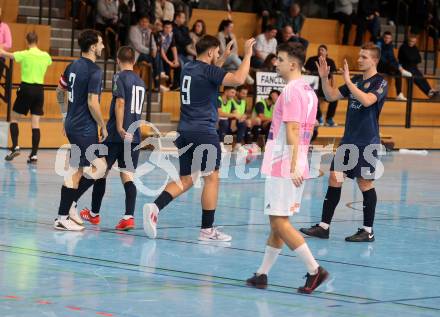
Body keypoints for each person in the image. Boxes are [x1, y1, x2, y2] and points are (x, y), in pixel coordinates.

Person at [142, 35, 256, 241]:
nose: (219, 56)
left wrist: (223, 58)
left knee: (187, 178)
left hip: (185, 131)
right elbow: (238, 79)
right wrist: (247, 54)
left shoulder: (188, 68)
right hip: (203, 132)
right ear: (211, 52)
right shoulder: (208, 71)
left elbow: (210, 75)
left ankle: (155, 207)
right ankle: (207, 230)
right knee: (211, 178)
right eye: (217, 53)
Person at [246, 42, 328, 294]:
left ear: (292, 64)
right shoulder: (310, 92)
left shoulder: (292, 91)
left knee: (279, 222)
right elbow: (308, 130)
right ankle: (262, 274)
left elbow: (292, 129)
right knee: (278, 221)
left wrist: (292, 164)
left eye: (280, 60)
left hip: (284, 163)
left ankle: (315, 271)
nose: (276, 63)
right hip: (297, 159)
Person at [300, 43, 388, 242]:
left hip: (367, 142)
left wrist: (348, 82)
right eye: (360, 56)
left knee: (364, 183)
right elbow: (330, 96)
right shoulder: (356, 80)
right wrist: (323, 77)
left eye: (364, 57)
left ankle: (368, 231)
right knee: (334, 178)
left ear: (374, 60)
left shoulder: (380, 82)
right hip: (348, 140)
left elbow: (367, 100)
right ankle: (324, 226)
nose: (359, 59)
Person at [79, 46, 146, 231]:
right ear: (133, 61)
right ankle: (129, 216)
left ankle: (87, 210)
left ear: (118, 60)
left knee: (100, 170)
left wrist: (118, 127)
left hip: (117, 135)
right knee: (127, 175)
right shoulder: (141, 81)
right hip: (134, 135)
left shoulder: (119, 77)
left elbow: (120, 102)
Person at [54, 29, 107, 231]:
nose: (103, 46)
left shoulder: (72, 65)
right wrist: (102, 125)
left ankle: (68, 209)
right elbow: (93, 103)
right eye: (101, 43)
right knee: (98, 168)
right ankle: (63, 214)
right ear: (93, 46)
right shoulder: (95, 71)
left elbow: (60, 91)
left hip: (73, 125)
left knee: (80, 169)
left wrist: (64, 115)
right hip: (84, 128)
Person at [0, 32, 52, 163]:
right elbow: (49, 62)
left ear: (26, 41)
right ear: (37, 41)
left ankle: (16, 146)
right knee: (35, 123)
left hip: (26, 88)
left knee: (14, 118)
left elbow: (6, 54)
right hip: (39, 90)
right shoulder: (45, 56)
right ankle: (34, 154)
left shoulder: (24, 54)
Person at [304, 44, 339, 126]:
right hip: (313, 87)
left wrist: (332, 88)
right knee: (313, 97)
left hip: (325, 86)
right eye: (319, 50)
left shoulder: (330, 62)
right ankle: (319, 117)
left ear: (326, 52)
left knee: (335, 98)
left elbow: (333, 76)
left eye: (322, 50)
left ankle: (329, 119)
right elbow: (306, 72)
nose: (320, 51)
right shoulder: (312, 60)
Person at [398, 34, 439, 99]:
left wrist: (412, 59)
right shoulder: (403, 47)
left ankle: (429, 91)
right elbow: (409, 58)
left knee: (421, 78)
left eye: (414, 42)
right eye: (411, 41)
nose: (412, 43)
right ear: (408, 40)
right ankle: (429, 92)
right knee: (416, 77)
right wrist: (413, 59)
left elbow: (419, 59)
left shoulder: (415, 48)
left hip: (413, 67)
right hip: (405, 67)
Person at [376, 31, 412, 101]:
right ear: (383, 38)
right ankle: (400, 70)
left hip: (388, 67)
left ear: (391, 39)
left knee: (398, 73)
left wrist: (399, 65)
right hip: (379, 66)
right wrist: (396, 66)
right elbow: (381, 58)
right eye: (386, 38)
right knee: (392, 67)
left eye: (389, 38)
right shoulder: (379, 44)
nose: (387, 39)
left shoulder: (390, 46)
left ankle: (399, 94)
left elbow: (392, 58)